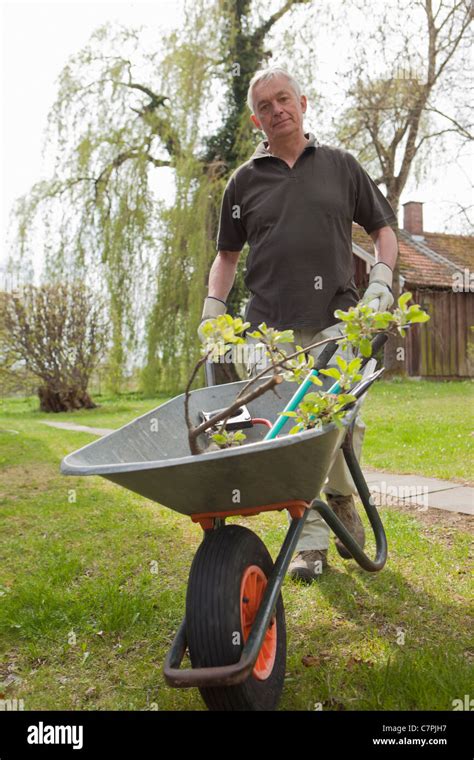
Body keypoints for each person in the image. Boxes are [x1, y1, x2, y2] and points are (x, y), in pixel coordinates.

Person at [198, 67, 398, 582]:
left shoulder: (341, 166)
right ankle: (310, 542)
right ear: (255, 119)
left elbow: (382, 229)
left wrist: (381, 278)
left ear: (303, 102)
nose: (276, 110)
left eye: (283, 99)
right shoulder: (244, 181)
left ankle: (341, 499)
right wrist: (213, 311)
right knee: (294, 434)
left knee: (340, 425)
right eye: (264, 106)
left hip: (338, 323)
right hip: (271, 334)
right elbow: (226, 256)